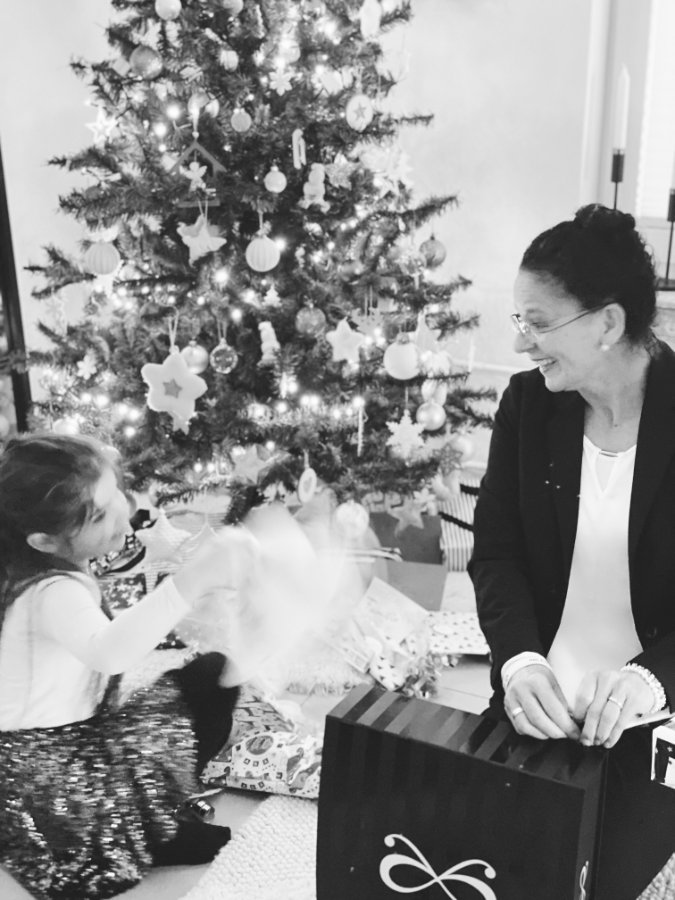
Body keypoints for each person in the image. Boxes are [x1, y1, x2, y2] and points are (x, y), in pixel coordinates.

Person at [469, 203, 675, 900]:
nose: (520, 341)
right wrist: (518, 663)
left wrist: (650, 682)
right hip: (540, 696)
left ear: (608, 323)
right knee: (476, 861)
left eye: (538, 322)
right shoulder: (528, 405)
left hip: (656, 712)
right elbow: (496, 556)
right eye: (518, 320)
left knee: (585, 883)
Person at [0, 432, 258, 899]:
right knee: (208, 684)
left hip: (73, 745)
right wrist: (191, 581)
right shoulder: (50, 592)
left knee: (204, 678)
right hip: (52, 782)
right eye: (100, 514)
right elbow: (110, 651)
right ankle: (137, 831)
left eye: (115, 490)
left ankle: (143, 821)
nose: (124, 512)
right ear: (43, 540)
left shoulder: (40, 566)